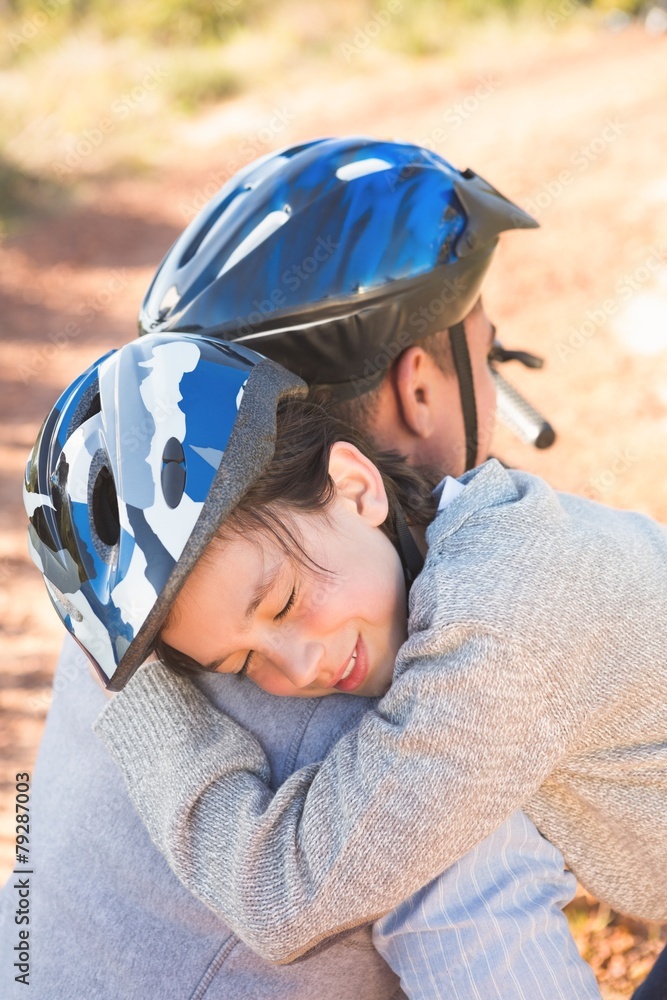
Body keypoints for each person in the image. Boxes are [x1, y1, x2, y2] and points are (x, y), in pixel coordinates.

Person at [4, 138, 603, 999]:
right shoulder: (417, 725)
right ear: (420, 387)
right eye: (484, 344)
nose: (291, 668)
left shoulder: (134, 600)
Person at [24, 329, 667, 994]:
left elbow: (282, 900)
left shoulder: (497, 621)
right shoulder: (453, 550)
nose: (298, 668)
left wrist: (136, 697)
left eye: (283, 603)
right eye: (242, 662)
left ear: (355, 488)